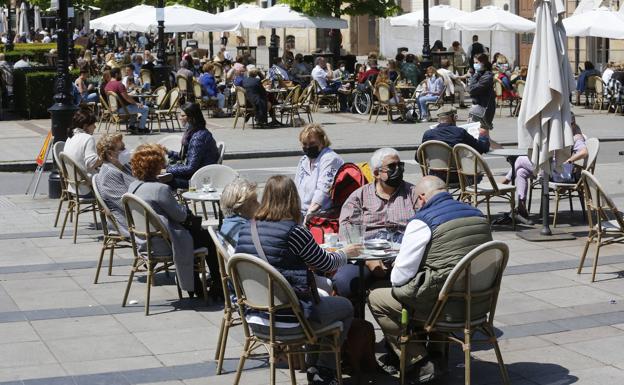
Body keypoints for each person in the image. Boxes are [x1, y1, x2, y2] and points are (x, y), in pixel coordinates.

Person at [234, 175, 360, 385]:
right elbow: (326, 264)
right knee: (345, 306)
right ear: (294, 200)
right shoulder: (295, 231)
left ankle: (313, 365)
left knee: (320, 298)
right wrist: (346, 253)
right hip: (289, 321)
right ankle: (324, 369)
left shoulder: (247, 229)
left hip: (256, 317)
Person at [368, 176, 491, 383]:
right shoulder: (477, 214)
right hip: (477, 304)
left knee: (376, 297)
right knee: (438, 284)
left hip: (443, 308)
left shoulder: (423, 221)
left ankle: (419, 361)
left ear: (422, 198)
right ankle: (438, 355)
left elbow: (399, 277)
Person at [128, 144, 220, 298]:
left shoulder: (133, 187)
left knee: (199, 235)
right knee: (209, 238)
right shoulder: (159, 190)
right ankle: (217, 285)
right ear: (157, 166)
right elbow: (181, 216)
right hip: (165, 243)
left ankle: (197, 286)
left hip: (146, 241)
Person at [336, 148, 418, 298]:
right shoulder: (359, 196)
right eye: (392, 167)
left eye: (401, 165)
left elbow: (424, 225)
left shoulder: (412, 193)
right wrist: (368, 258)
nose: (398, 170)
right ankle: (355, 320)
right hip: (366, 255)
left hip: (404, 256)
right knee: (344, 282)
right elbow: (346, 229)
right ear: (376, 173)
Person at [502, 113, 588, 218]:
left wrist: (569, 160)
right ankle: (521, 205)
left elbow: (584, 152)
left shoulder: (576, 137)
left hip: (558, 174)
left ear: (572, 124)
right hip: (551, 169)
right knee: (521, 172)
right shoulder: (563, 135)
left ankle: (504, 183)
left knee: (519, 160)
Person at [294, 124, 344, 222]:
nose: (308, 147)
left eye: (312, 144)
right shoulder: (304, 160)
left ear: (322, 141)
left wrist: (308, 218)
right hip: (300, 212)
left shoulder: (330, 159)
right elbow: (295, 188)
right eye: (304, 144)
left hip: (320, 215)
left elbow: (323, 192)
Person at [165, 102, 219, 189]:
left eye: (183, 116)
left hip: (198, 180)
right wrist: (167, 152)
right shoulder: (194, 132)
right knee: (160, 176)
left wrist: (167, 169)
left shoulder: (198, 137)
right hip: (194, 174)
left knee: (160, 179)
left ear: (192, 118)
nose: (180, 118)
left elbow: (191, 168)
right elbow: (186, 156)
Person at [93, 133, 135, 237]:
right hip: (130, 225)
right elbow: (126, 204)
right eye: (122, 149)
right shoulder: (109, 173)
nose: (128, 152)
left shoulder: (120, 167)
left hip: (135, 218)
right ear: (111, 154)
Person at [63, 109, 102, 195]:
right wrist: (104, 157)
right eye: (93, 124)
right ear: (85, 126)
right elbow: (91, 163)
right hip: (86, 188)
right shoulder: (87, 138)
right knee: (114, 177)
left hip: (73, 186)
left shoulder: (70, 138)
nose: (95, 127)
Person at [422, 106, 491, 154]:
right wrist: (483, 135)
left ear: (438, 119)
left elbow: (418, 157)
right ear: (455, 117)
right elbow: (482, 148)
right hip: (457, 173)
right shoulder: (459, 132)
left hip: (434, 172)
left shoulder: (428, 134)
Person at [104, 67, 149, 133]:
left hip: (114, 109)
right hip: (123, 108)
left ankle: (132, 126)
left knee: (133, 108)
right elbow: (126, 97)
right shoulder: (119, 84)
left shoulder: (107, 85)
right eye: (120, 74)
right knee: (145, 108)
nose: (121, 75)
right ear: (116, 74)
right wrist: (137, 103)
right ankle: (141, 128)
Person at [219, 178, 259, 246]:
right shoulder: (245, 232)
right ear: (240, 207)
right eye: (254, 201)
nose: (259, 204)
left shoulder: (228, 223)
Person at [467, 53, 496, 130]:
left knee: (483, 133)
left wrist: (475, 75)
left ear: (483, 63)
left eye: (477, 63)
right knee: (476, 133)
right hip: (478, 107)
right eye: (474, 63)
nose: (475, 65)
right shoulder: (480, 74)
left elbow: (471, 89)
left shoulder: (487, 76)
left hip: (485, 108)